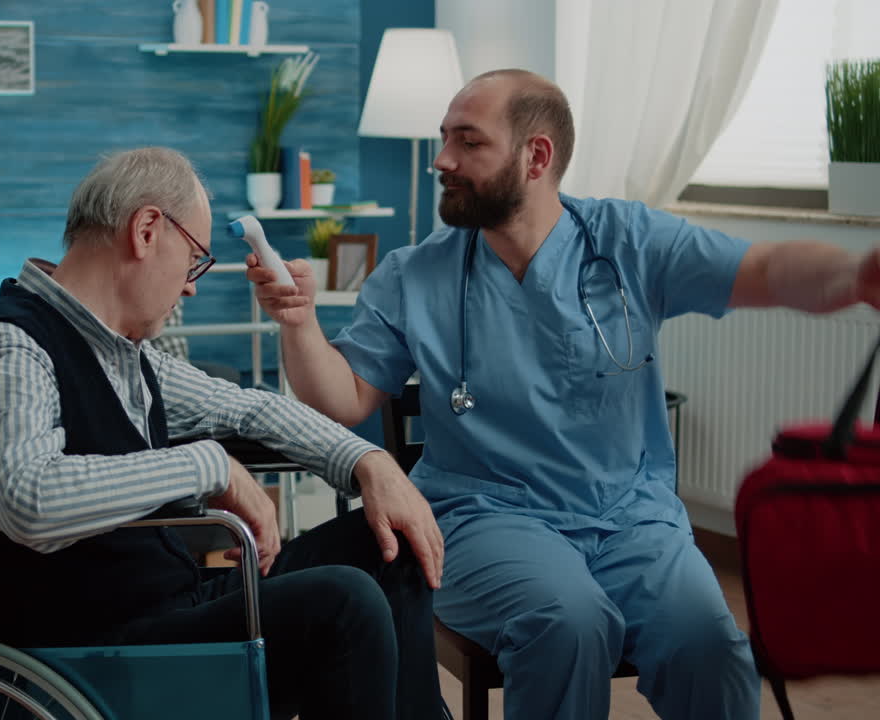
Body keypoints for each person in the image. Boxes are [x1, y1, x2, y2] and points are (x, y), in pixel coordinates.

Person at [247, 68, 880, 720]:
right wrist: (298, 325)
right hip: (486, 518)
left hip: (634, 519)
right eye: (445, 139)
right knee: (568, 625)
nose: (443, 159)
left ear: (536, 157)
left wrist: (857, 274)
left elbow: (764, 270)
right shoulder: (417, 276)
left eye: (468, 142)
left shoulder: (629, 244)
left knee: (710, 646)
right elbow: (344, 400)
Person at [0, 147, 451, 720]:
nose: (191, 287)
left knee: (388, 541)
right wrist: (211, 466)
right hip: (87, 651)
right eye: (195, 259)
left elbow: (247, 410)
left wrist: (370, 463)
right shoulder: (11, 346)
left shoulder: (128, 354)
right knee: (344, 606)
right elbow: (29, 498)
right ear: (147, 230)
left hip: (167, 614)